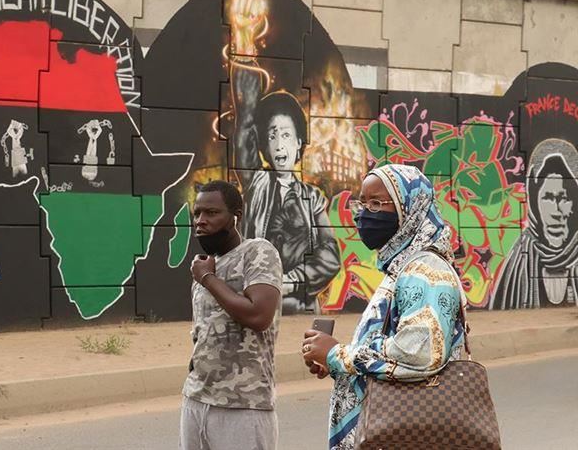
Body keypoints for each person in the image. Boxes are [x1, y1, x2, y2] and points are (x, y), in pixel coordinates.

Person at [300, 165, 466, 450]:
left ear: (409, 208)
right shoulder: (403, 267)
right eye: (362, 202)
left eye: (377, 203)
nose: (364, 213)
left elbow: (418, 353)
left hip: (408, 433)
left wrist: (339, 354)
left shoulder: (425, 271)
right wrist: (334, 362)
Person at [227, 0, 339, 311]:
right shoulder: (257, 183)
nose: (279, 143)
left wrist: (291, 280)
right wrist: (244, 44)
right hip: (255, 302)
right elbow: (245, 123)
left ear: (299, 143)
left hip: (298, 306)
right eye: (272, 135)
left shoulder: (312, 199)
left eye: (286, 135)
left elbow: (329, 255)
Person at [182, 180, 284, 450]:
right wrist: (206, 275)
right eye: (197, 213)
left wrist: (208, 278)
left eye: (212, 213)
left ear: (236, 216)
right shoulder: (205, 268)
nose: (201, 221)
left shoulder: (257, 251)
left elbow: (259, 316)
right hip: (196, 399)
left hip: (244, 405)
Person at [492, 139, 578, 309]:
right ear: (533, 201)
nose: (556, 211)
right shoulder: (519, 259)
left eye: (564, 198)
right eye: (548, 198)